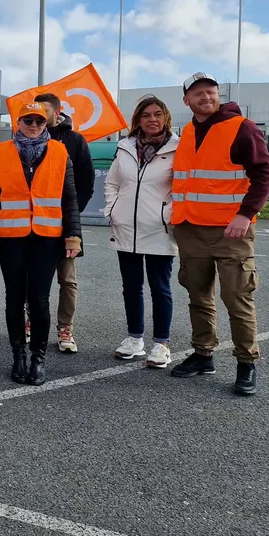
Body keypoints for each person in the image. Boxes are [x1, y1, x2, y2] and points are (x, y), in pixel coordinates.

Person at [168, 72, 269, 396]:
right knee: (198, 296)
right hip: (190, 229)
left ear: (218, 95)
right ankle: (203, 356)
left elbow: (265, 175)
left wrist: (245, 214)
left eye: (210, 91)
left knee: (236, 298)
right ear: (186, 100)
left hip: (230, 231)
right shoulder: (186, 132)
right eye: (198, 93)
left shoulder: (241, 127)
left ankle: (246, 363)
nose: (206, 97)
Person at [0, 102, 81, 386]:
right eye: (28, 120)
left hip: (47, 239)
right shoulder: (0, 152)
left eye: (38, 120)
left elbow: (69, 198)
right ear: (18, 123)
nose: (34, 125)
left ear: (46, 123)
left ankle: (38, 358)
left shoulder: (60, 152)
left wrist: (73, 235)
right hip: (11, 238)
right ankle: (18, 356)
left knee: (38, 300)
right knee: (14, 299)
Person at [103, 96, 180, 368]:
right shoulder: (125, 147)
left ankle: (161, 344)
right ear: (138, 119)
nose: (152, 119)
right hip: (126, 228)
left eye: (158, 114)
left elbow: (180, 188)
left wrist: (167, 214)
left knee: (160, 287)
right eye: (146, 115)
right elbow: (112, 182)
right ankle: (134, 339)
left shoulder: (177, 148)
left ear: (166, 118)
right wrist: (112, 210)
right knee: (131, 287)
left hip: (159, 228)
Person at [34, 92, 94, 354]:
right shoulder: (26, 138)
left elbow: (86, 183)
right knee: (32, 277)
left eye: (44, 111)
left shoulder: (75, 140)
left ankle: (65, 328)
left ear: (57, 113)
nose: (38, 116)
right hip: (35, 224)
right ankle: (30, 322)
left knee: (67, 280)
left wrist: (72, 216)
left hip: (64, 224)